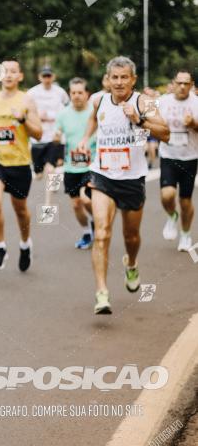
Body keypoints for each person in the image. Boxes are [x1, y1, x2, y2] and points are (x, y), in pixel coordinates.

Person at [77, 57, 170, 315]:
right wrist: (86, 139)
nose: (119, 82)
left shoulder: (144, 102)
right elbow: (93, 120)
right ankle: (102, 292)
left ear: (133, 79)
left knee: (131, 237)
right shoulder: (99, 100)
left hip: (132, 178)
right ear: (108, 79)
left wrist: (139, 119)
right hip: (102, 175)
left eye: (124, 77)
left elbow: (165, 132)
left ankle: (131, 263)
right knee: (102, 232)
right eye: (114, 77)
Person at [0, 59, 42, 272]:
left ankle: (25, 244)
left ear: (20, 76)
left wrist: (23, 120)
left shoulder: (27, 100)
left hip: (20, 162)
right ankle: (0, 246)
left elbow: (38, 133)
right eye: (5, 71)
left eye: (13, 71)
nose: (9, 75)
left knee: (20, 210)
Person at [158, 68, 198, 251]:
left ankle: (186, 234)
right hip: (168, 155)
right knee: (167, 195)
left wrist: (194, 124)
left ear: (191, 85)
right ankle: (172, 216)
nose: (182, 86)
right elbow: (150, 123)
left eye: (186, 83)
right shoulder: (162, 102)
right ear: (173, 83)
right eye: (179, 82)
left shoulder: (196, 103)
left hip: (190, 157)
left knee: (185, 201)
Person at [54, 78, 96, 249]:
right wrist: (56, 138)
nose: (77, 96)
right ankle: (87, 231)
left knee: (86, 199)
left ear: (87, 94)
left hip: (92, 166)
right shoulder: (63, 114)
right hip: (71, 167)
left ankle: (97, 222)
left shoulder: (95, 112)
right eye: (73, 93)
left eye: (80, 92)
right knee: (76, 204)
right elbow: (58, 135)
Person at [27, 66, 69, 197]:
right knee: (39, 174)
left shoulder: (60, 92)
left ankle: (50, 198)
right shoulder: (32, 93)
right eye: (44, 76)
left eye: (49, 76)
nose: (47, 79)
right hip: (38, 137)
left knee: (51, 168)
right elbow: (25, 110)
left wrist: (59, 120)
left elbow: (68, 108)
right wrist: (38, 116)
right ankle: (42, 174)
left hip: (54, 136)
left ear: (53, 77)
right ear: (40, 77)